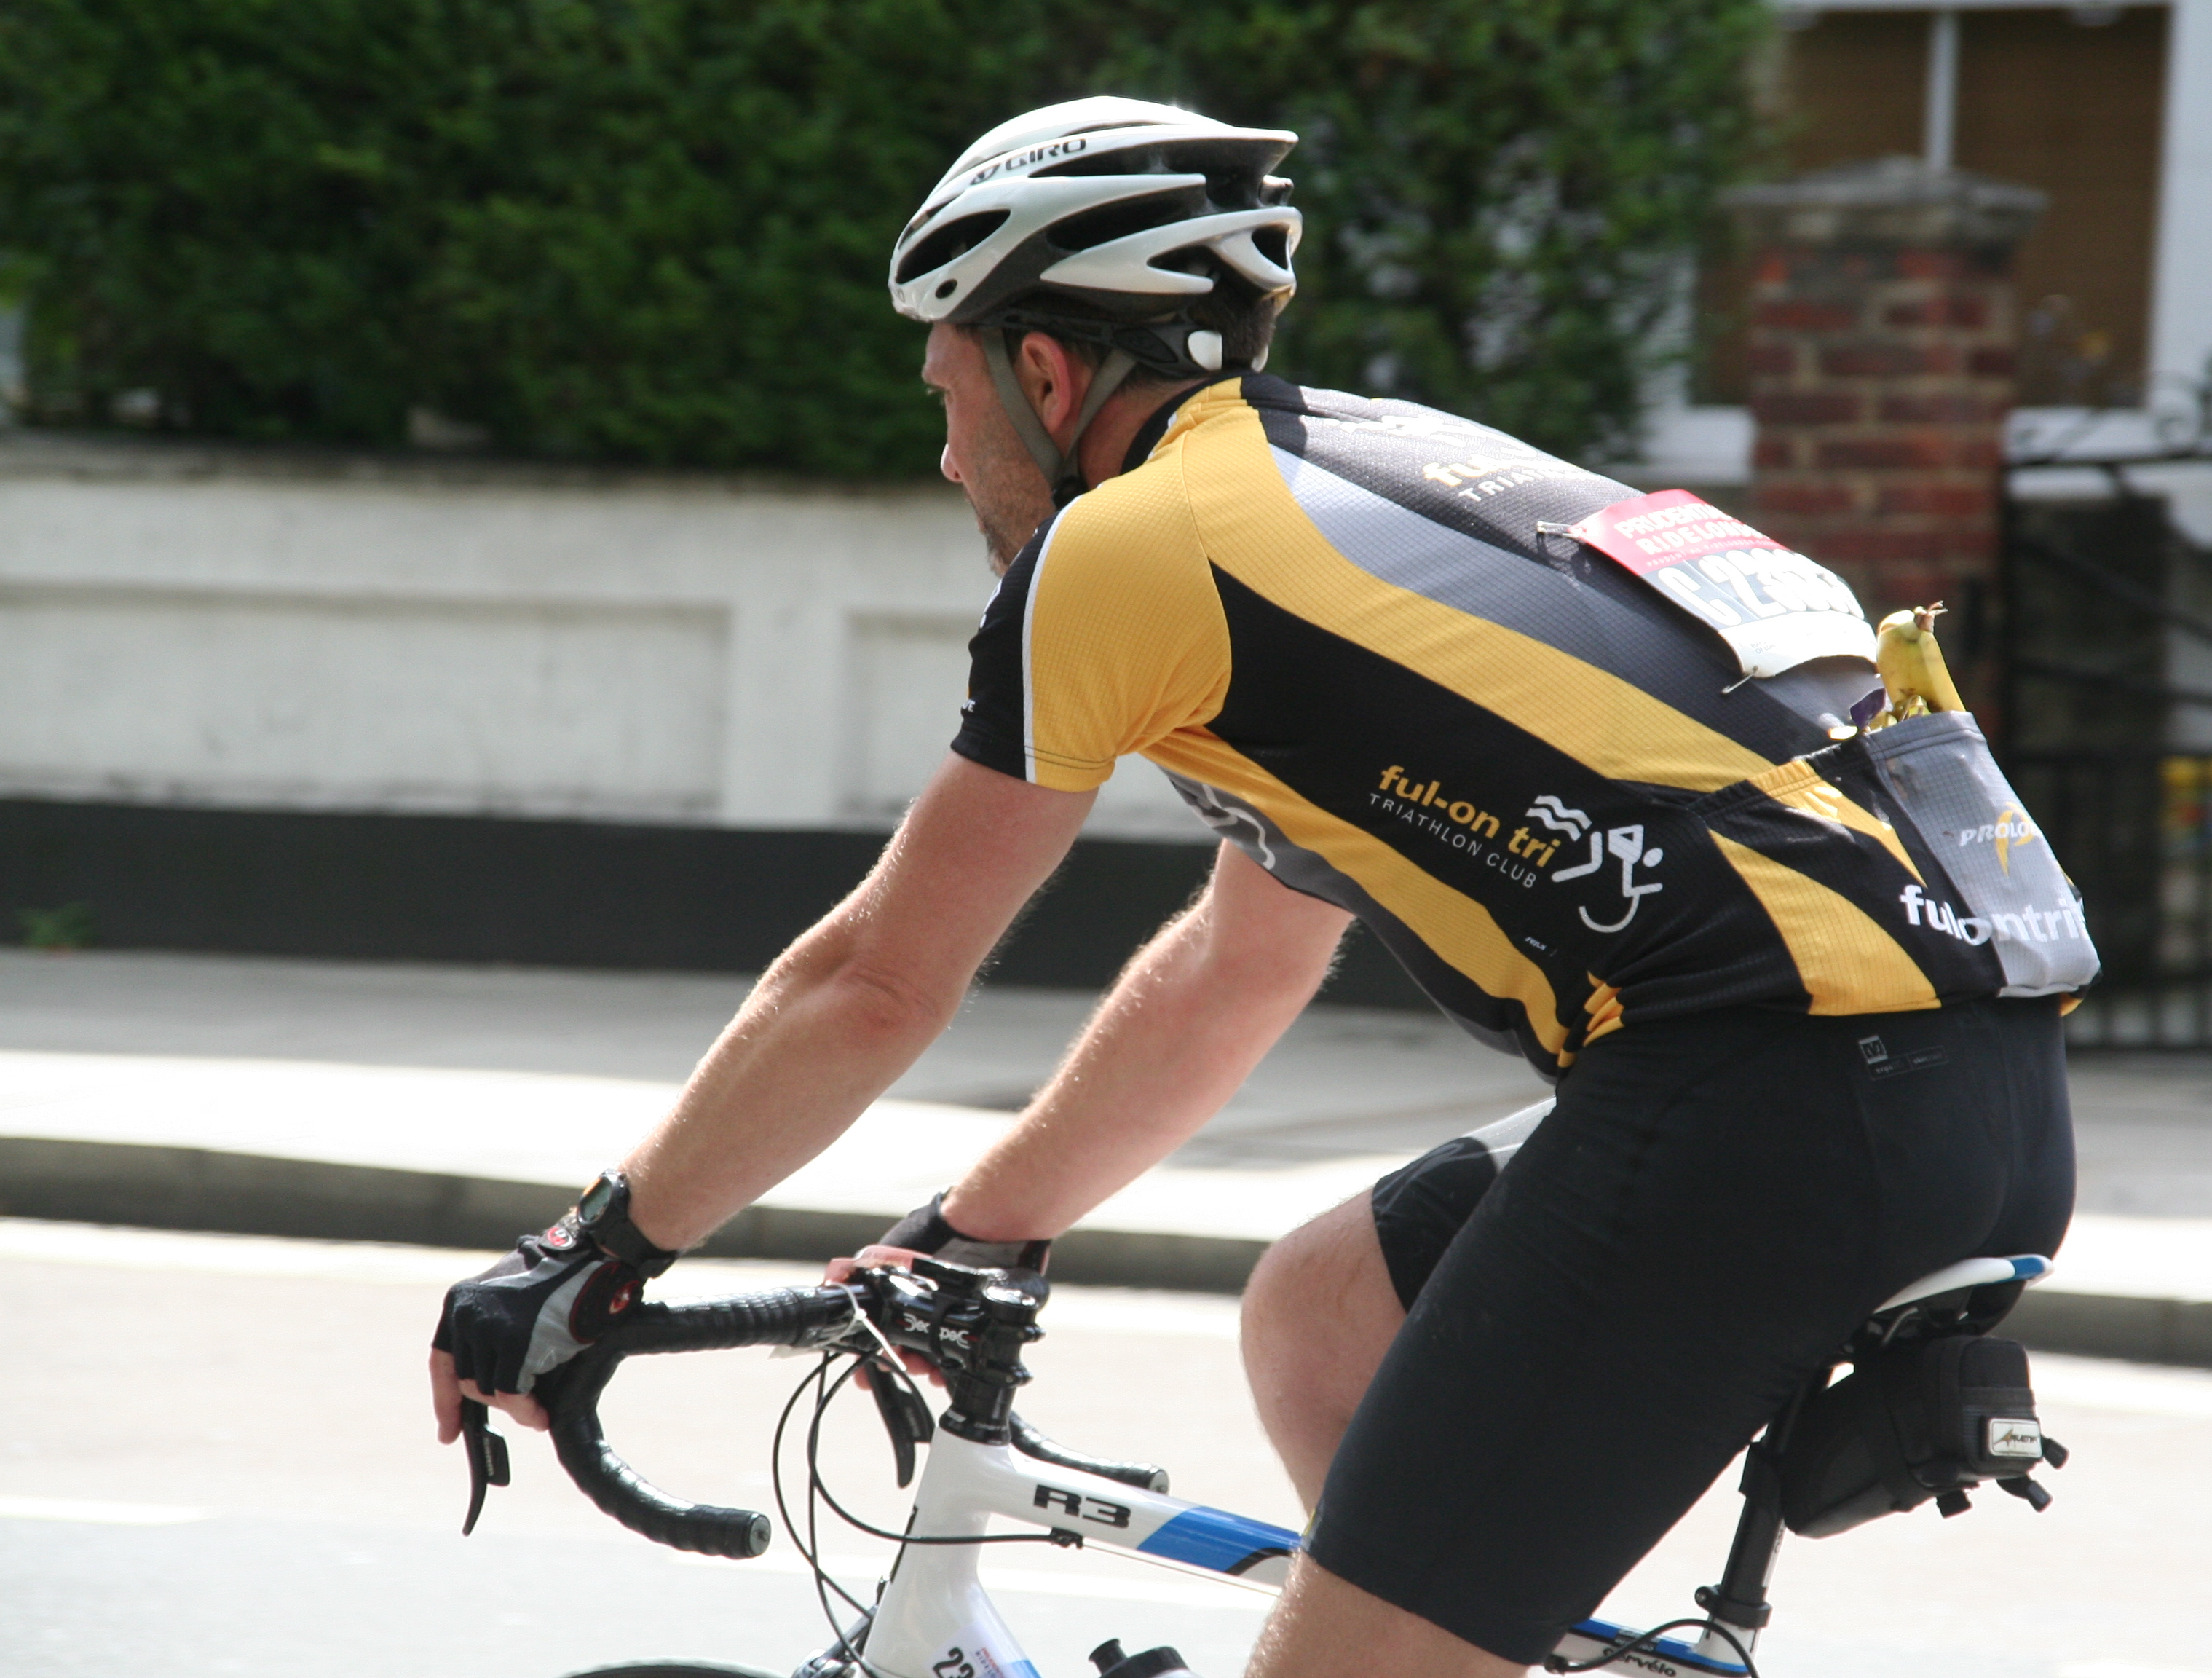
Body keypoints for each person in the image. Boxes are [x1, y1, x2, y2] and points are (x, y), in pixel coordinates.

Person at [431, 97, 2087, 1677]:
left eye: (947, 393)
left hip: (1781, 1100)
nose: (945, 456)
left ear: (1045, 371)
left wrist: (590, 1254)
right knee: (1321, 1309)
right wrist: (983, 1228)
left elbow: (875, 981)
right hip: (1975, 1086)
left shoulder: (1132, 548)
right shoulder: (1354, 488)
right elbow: (1239, 963)